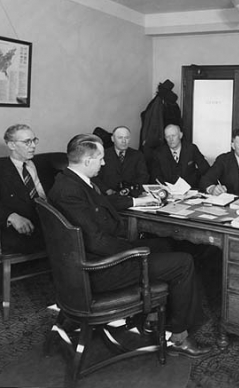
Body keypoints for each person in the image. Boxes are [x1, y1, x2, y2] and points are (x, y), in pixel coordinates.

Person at [48, 133, 211, 358]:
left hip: (92, 257)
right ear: (87, 161)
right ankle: (179, 337)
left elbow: (101, 204)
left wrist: (139, 201)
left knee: (164, 244)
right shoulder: (71, 192)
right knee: (184, 262)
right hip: (98, 269)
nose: (104, 163)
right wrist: (133, 252)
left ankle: (151, 317)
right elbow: (97, 241)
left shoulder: (69, 181)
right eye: (101, 159)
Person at [0, 124, 47, 254]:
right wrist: (12, 216)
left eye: (34, 140)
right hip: (26, 228)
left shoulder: (42, 164)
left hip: (51, 220)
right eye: (27, 142)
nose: (33, 146)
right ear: (12, 145)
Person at [95, 126, 150, 195]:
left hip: (131, 195)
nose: (124, 141)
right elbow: (95, 177)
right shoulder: (103, 154)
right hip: (108, 196)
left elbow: (143, 176)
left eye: (126, 138)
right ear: (112, 139)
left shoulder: (137, 155)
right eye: (120, 138)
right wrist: (106, 190)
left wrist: (130, 190)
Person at [151, 124, 210, 188]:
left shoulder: (191, 149)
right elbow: (156, 176)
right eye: (168, 137)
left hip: (191, 190)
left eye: (173, 136)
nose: (171, 139)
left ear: (180, 135)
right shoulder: (158, 153)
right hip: (168, 192)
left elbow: (205, 169)